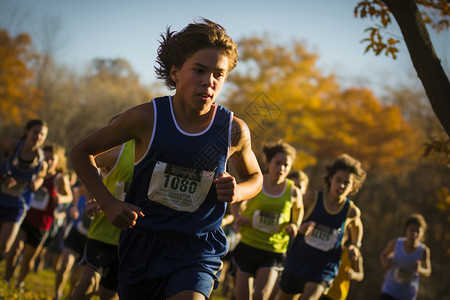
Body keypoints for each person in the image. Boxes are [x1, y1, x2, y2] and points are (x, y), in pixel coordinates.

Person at [70, 18, 263, 300]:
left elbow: (255, 178)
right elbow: (81, 153)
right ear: (175, 72)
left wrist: (238, 191)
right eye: (199, 70)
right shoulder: (147, 118)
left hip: (197, 247)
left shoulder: (232, 129)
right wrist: (108, 202)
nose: (209, 81)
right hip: (143, 243)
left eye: (218, 74)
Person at [276, 153, 366, 300]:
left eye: (346, 183)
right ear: (330, 178)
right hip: (299, 261)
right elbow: (293, 215)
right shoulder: (312, 199)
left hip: (323, 268)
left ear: (352, 187)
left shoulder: (351, 211)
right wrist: (298, 227)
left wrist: (356, 245)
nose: (341, 185)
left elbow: (357, 226)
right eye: (338, 180)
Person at [231, 141, 303, 300]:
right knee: (242, 297)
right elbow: (235, 201)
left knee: (261, 296)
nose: (282, 168)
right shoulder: (257, 183)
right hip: (248, 246)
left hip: (274, 250)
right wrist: (237, 217)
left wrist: (295, 224)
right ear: (268, 163)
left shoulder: (293, 191)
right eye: (278, 163)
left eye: (286, 165)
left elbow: (299, 208)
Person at [3, 143, 73, 290]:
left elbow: (69, 197)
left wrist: (61, 199)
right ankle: (6, 280)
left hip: (42, 224)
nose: (48, 162)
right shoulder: (34, 171)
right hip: (25, 216)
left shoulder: (59, 178)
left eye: (52, 159)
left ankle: (19, 282)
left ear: (58, 161)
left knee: (29, 258)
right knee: (15, 249)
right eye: (46, 158)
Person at [71, 139, 134, 300]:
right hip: (102, 233)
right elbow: (84, 162)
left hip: (130, 239)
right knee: (89, 282)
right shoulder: (121, 151)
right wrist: (92, 199)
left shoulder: (160, 149)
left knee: (108, 294)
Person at [0, 119, 48, 256]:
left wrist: (36, 184)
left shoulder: (41, 160)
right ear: (27, 132)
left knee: (4, 246)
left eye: (42, 134)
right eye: (35, 132)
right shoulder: (13, 146)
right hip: (1, 194)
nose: (38, 136)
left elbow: (41, 177)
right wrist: (4, 177)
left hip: (17, 203)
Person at [379, 213, 431, 300]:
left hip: (407, 296)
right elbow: (383, 255)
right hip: (389, 291)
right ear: (406, 230)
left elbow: (428, 271)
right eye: (411, 230)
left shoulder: (423, 251)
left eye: (417, 231)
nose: (414, 234)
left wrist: (419, 269)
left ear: (422, 234)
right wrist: (385, 264)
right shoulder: (395, 244)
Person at [54, 182, 91, 300]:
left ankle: (71, 294)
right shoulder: (87, 184)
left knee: (76, 274)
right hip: (75, 232)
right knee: (64, 265)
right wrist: (74, 208)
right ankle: (57, 294)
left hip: (90, 238)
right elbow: (76, 200)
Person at [320, 229, 364, 300]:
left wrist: (353, 274)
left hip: (337, 296)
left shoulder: (352, 254)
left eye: (342, 235)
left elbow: (361, 275)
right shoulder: (328, 248)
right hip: (321, 290)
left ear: (346, 237)